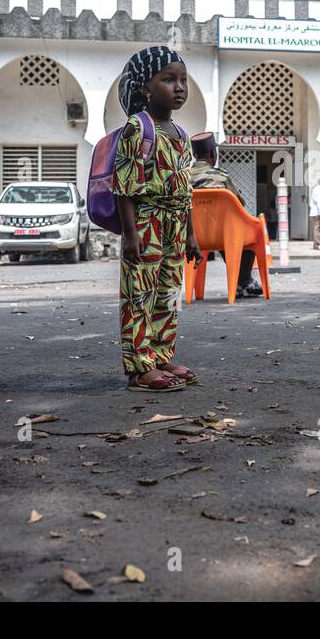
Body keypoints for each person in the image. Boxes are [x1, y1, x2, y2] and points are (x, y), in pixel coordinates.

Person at [112, 45, 203, 392]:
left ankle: (162, 357)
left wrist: (191, 235)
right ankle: (139, 368)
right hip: (146, 223)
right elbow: (124, 188)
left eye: (183, 80)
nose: (179, 87)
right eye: (168, 79)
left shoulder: (180, 135)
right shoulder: (138, 129)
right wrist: (131, 234)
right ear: (144, 88)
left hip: (175, 225)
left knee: (167, 293)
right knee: (140, 295)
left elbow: (185, 189)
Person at [188, 131, 262, 298]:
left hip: (192, 237)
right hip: (222, 236)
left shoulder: (183, 177)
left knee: (222, 232)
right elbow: (239, 202)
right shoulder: (221, 177)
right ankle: (244, 280)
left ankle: (243, 282)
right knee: (249, 236)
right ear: (213, 154)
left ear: (193, 154)